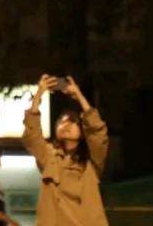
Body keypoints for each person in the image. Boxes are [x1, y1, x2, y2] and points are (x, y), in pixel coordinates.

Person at [22, 76, 109, 226]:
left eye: (72, 122)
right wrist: (39, 94)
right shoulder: (48, 155)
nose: (65, 125)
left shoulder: (92, 162)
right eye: (61, 122)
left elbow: (97, 132)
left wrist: (79, 96)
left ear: (82, 132)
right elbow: (32, 134)